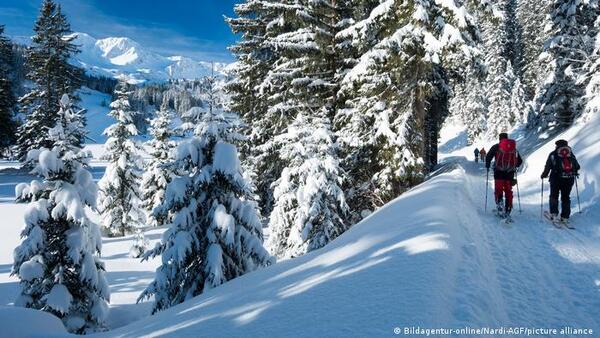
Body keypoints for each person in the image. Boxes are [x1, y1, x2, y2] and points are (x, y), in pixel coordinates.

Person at [541, 139, 580, 223]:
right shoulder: (571, 154)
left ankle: (554, 214)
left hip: (556, 178)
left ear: (557, 145)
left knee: (554, 196)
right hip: (569, 179)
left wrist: (544, 175)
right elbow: (577, 166)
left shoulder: (553, 154)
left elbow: (548, 167)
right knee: (566, 197)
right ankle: (565, 217)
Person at [485, 133, 523, 216]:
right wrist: (514, 167)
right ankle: (508, 208)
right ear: (507, 138)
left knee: (499, 189)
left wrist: (487, 165)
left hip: (498, 172)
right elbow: (520, 161)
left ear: (500, 139)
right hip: (510, 173)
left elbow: (488, 156)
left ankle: (500, 204)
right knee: (508, 191)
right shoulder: (513, 148)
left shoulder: (496, 146)